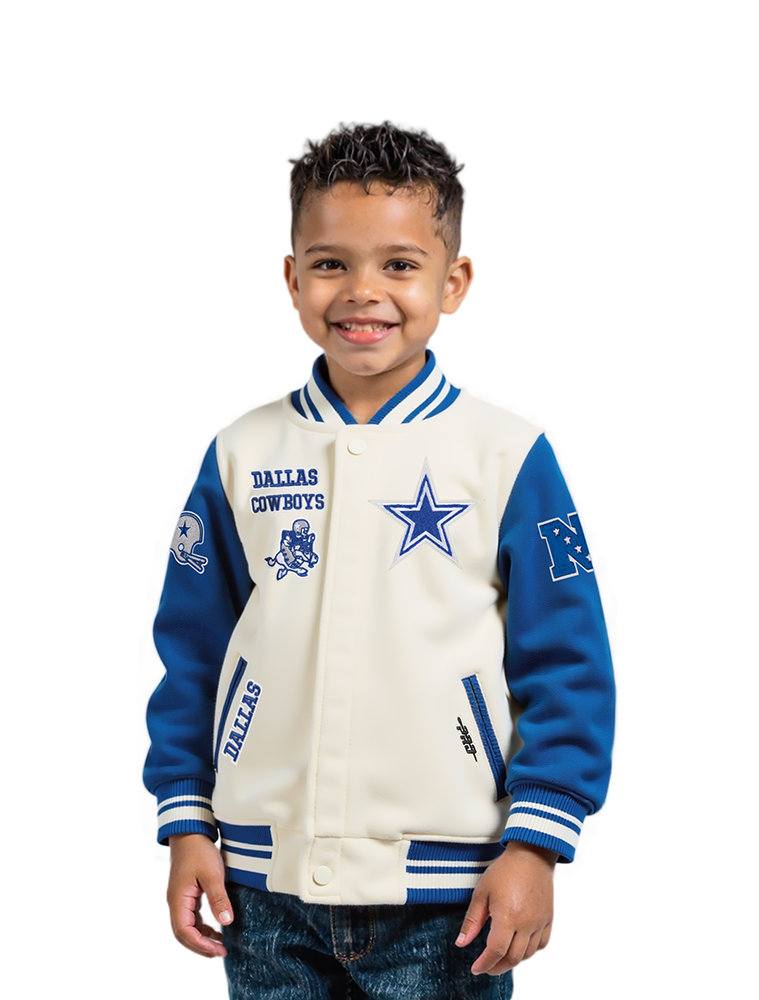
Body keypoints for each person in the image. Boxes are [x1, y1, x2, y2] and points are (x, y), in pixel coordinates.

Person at [143, 122, 615, 999]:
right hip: (262, 888)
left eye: (399, 264)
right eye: (331, 263)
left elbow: (567, 661)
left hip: (451, 897)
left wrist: (537, 843)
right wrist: (187, 822)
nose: (363, 291)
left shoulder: (505, 455)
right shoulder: (242, 452)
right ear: (293, 278)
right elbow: (193, 652)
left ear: (453, 281)